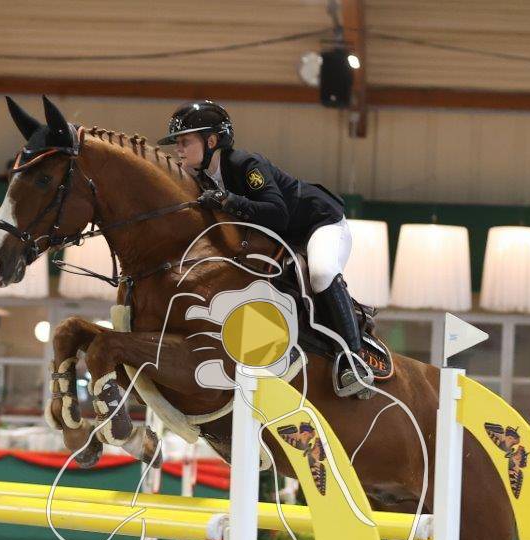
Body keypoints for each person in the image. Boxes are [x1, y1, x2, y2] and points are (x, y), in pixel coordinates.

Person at [159, 100, 373, 398]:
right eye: (177, 143)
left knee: (322, 273)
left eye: (185, 141)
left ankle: (355, 359)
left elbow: (278, 213)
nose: (178, 149)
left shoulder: (245, 164)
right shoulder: (202, 178)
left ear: (211, 141)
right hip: (281, 238)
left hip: (319, 223)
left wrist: (229, 201)